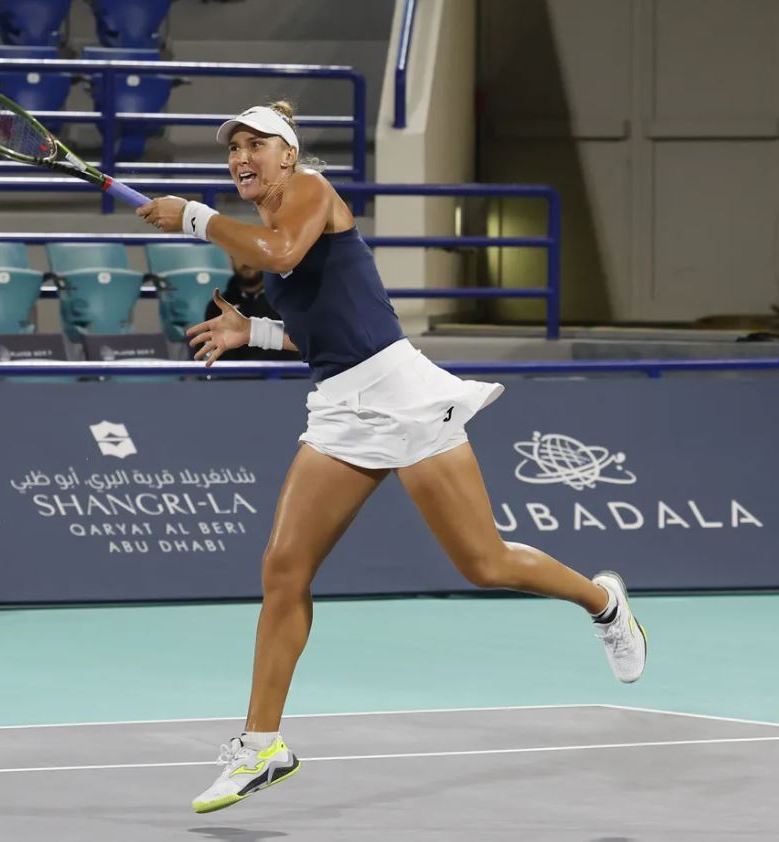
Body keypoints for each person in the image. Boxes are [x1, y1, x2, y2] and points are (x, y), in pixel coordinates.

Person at [137, 102, 647, 815]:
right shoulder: (266, 226)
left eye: (256, 144)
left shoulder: (311, 191)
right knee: (284, 571)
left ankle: (602, 603)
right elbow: (321, 331)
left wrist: (192, 216)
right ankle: (261, 747)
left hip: (402, 396)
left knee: (483, 563)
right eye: (233, 149)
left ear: (287, 155)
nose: (240, 157)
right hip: (341, 408)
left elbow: (280, 255)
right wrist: (251, 330)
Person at [203, 254, 300, 363]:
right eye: (237, 254)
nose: (245, 261)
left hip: (286, 378)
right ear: (230, 261)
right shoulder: (217, 307)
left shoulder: (289, 300)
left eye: (248, 252)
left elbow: (301, 346)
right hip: (236, 378)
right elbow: (218, 357)